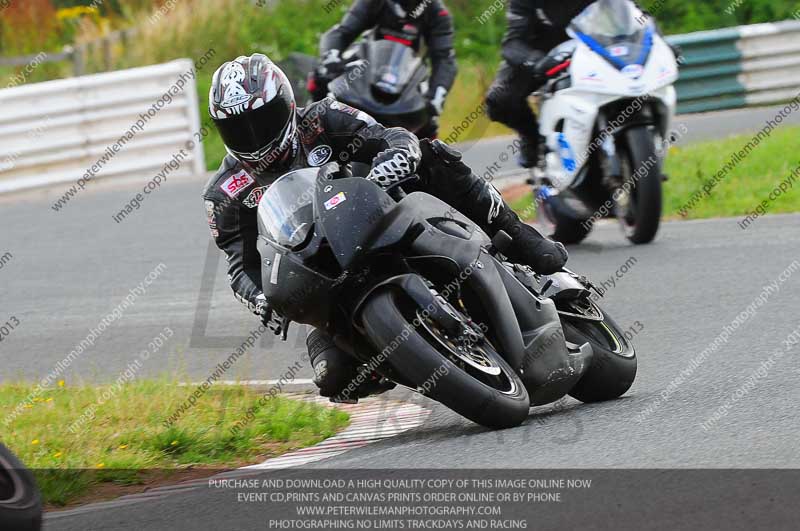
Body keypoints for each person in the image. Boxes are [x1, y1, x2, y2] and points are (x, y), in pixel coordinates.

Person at [203, 54, 567, 401]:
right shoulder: (224, 192)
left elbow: (389, 136)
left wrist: (394, 160)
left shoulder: (323, 117)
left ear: (286, 103)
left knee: (433, 156)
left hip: (381, 215)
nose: (253, 136)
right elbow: (240, 265)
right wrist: (260, 298)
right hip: (324, 270)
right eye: (237, 128)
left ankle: (518, 237)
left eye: (262, 120)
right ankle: (397, 358)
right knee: (336, 379)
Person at [485, 0, 678, 168]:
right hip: (543, 53)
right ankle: (532, 139)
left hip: (591, 44)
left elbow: (636, 16)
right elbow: (512, 44)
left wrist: (660, 43)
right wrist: (537, 61)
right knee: (499, 100)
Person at [309, 0, 457, 139]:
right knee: (321, 78)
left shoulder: (437, 13)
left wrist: (437, 94)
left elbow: (444, 58)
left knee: (428, 122)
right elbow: (343, 32)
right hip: (364, 68)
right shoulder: (374, 2)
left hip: (408, 80)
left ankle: (421, 161)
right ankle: (307, 131)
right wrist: (331, 59)